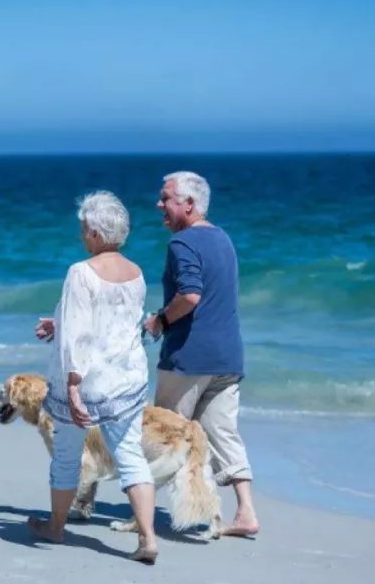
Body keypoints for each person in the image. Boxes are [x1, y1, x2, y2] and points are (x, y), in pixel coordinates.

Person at [29, 190, 159, 563]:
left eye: (85, 229)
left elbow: (79, 336)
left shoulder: (80, 272)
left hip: (89, 382)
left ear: (98, 234)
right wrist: (60, 321)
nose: (82, 235)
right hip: (127, 379)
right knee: (131, 455)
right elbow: (119, 322)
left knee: (67, 454)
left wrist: (72, 386)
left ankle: (55, 528)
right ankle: (148, 538)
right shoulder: (136, 273)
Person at [143, 170, 260, 538]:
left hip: (189, 358)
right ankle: (244, 512)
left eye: (166, 198)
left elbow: (190, 295)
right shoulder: (223, 238)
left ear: (189, 204)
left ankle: (144, 513)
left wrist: (160, 320)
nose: (159, 204)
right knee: (223, 433)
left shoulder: (182, 244)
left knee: (166, 435)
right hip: (228, 357)